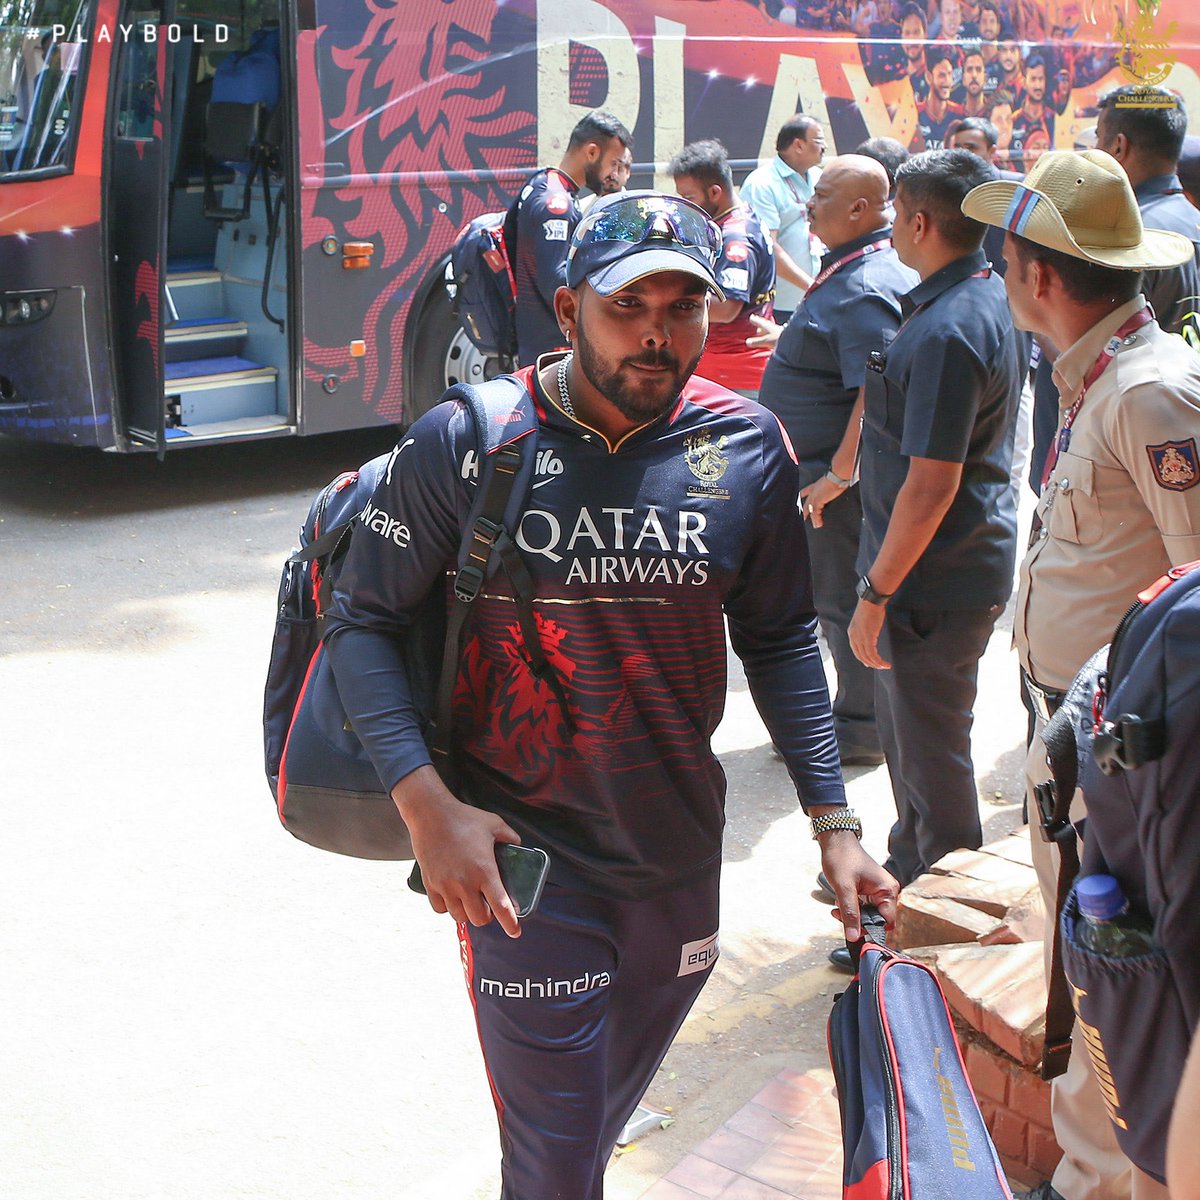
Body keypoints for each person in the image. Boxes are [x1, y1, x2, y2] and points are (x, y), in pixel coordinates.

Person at [322, 189, 900, 1200]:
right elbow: (360, 620)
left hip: (678, 854)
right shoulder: (471, 438)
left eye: (685, 307)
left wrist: (835, 821)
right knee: (553, 1157)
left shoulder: (750, 449)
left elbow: (779, 641)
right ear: (567, 311)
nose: (657, 335)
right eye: (627, 306)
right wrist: (427, 810)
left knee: (588, 1130)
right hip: (524, 864)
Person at [962, 147, 1200, 1200]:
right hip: (1079, 740)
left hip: (1126, 760)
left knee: (1116, 976)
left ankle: (1104, 1181)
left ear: (1040, 277)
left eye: (1005, 260)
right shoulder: (1095, 380)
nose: (1001, 277)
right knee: (1084, 957)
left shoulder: (1150, 399)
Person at [849, 149, 1022, 890]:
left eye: (894, 210)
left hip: (929, 581)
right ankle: (907, 874)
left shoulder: (952, 327)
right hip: (934, 571)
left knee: (931, 753)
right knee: (911, 744)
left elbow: (931, 483)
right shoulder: (973, 296)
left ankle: (941, 914)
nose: (889, 224)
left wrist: (876, 593)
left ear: (921, 221)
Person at [758, 156, 918, 774]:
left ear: (859, 209)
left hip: (837, 484)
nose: (807, 204)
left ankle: (860, 727)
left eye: (820, 194)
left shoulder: (862, 283)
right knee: (833, 596)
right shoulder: (854, 269)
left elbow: (871, 389)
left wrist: (837, 476)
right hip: (830, 474)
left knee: (841, 598)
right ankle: (857, 715)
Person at [509, 110, 634, 366]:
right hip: (551, 352)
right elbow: (555, 281)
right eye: (613, 162)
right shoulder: (557, 205)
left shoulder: (542, 182)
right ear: (591, 153)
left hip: (537, 345)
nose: (613, 174)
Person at [670, 139, 777, 394]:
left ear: (715, 192)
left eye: (689, 197)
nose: (684, 205)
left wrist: (672, 303)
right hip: (731, 369)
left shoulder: (735, 238)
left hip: (735, 375)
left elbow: (727, 307)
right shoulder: (743, 215)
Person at [1096, 84, 1200, 338]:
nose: (1094, 150)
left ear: (1119, 147)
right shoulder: (1193, 218)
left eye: (1098, 138)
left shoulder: (1129, 235)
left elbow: (1101, 352)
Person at [739, 113, 826, 322]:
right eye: (819, 141)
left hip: (817, 296)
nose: (825, 148)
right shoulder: (762, 184)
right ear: (798, 145)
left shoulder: (819, 177)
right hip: (782, 303)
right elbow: (767, 247)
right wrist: (810, 285)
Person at [913, 45, 966, 151]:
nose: (947, 81)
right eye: (942, 75)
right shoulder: (914, 114)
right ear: (929, 77)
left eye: (950, 74)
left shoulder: (961, 114)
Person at [1010, 54, 1054, 172]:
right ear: (1024, 83)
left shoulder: (1053, 119)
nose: (1038, 85)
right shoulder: (1013, 120)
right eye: (1033, 79)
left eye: (1041, 79)